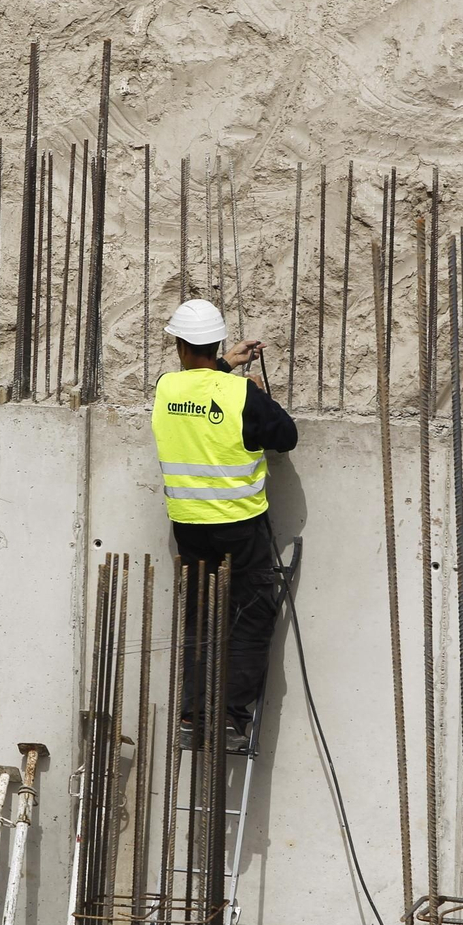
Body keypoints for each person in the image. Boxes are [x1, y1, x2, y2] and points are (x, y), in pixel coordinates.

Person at [151, 298, 297, 752]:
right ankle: (231, 719)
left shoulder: (166, 388)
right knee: (250, 616)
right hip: (239, 525)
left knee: (200, 618)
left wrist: (224, 365)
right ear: (215, 342)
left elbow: (198, 388)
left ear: (179, 345)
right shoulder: (242, 395)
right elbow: (285, 436)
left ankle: (192, 717)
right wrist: (257, 393)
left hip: (189, 526)